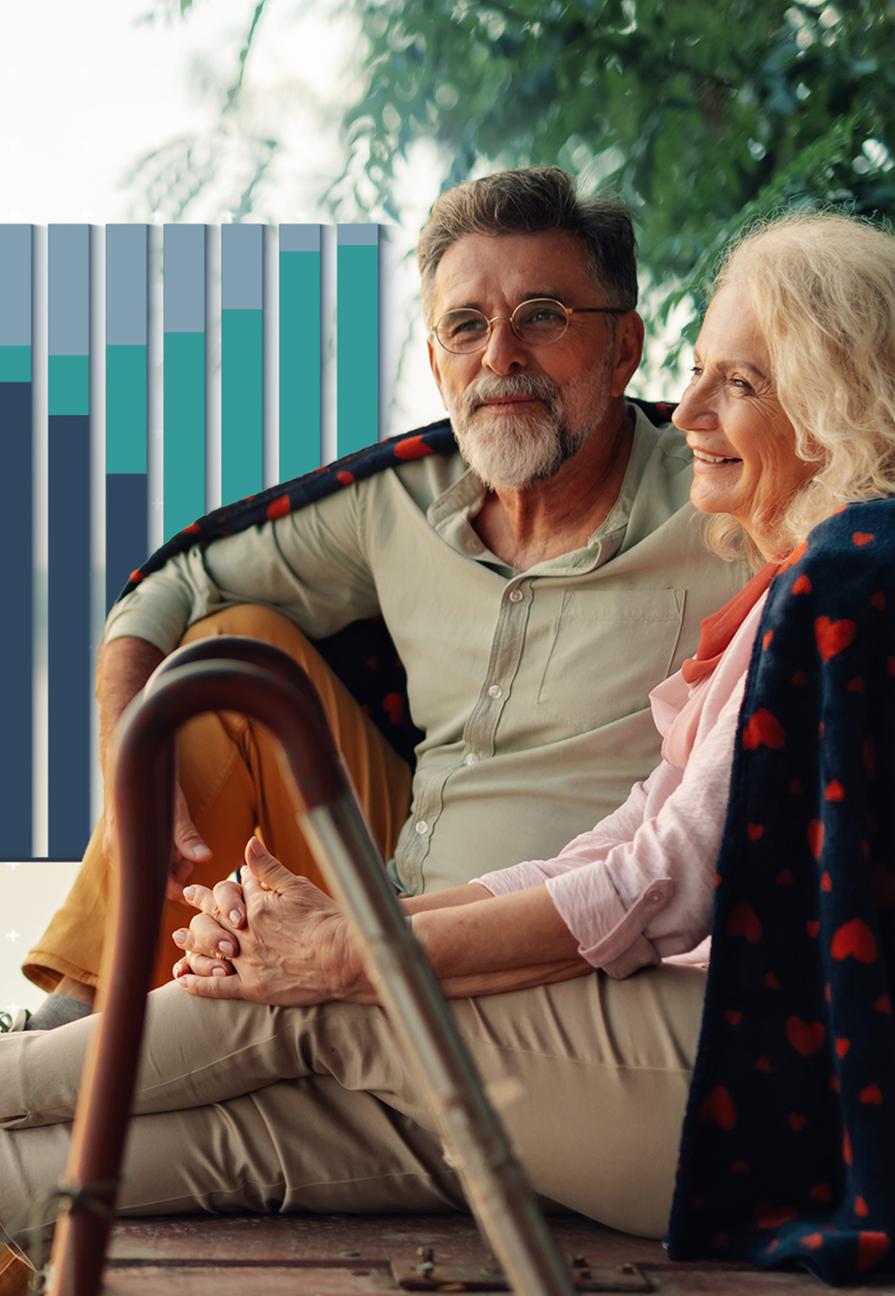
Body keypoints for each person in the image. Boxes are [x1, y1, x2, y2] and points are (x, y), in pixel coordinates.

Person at [4, 213, 895, 1291]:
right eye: (699, 370)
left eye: (734, 384)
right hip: (666, 1073)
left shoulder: (856, 582)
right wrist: (360, 932)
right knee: (159, 1153)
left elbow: (662, 886)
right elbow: (628, 841)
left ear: (839, 410)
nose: (687, 410)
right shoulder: (847, 578)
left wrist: (350, 957)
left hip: (751, 1088)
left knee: (305, 1010)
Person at [15, 166, 750, 1029]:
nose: (499, 356)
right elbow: (177, 584)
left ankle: (74, 1068)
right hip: (373, 893)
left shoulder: (725, 504)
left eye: (542, 317)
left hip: (560, 949)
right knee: (226, 653)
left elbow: (876, 530)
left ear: (624, 348)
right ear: (437, 361)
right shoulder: (395, 501)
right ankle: (76, 1018)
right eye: (466, 326)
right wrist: (122, 747)